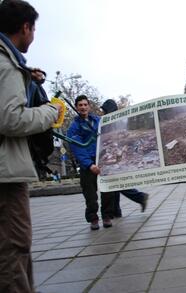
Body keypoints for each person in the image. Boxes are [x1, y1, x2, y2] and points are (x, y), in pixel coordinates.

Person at [0, 0, 62, 291]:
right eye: (34, 28)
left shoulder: (11, 64)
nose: (34, 35)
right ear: (25, 27)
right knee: (14, 246)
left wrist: (27, 78)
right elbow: (11, 119)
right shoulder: (5, 62)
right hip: (5, 174)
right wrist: (51, 111)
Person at [68, 95, 114, 229]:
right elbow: (77, 146)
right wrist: (89, 164)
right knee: (90, 195)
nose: (83, 107)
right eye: (80, 105)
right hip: (87, 164)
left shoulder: (99, 121)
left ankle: (107, 216)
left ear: (89, 106)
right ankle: (93, 219)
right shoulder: (74, 127)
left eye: (85, 105)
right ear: (76, 107)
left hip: (103, 160)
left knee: (108, 190)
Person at [100, 99, 149, 217]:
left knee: (115, 183)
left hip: (116, 157)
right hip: (116, 156)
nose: (103, 112)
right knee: (115, 184)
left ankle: (140, 197)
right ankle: (116, 211)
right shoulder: (113, 122)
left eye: (104, 110)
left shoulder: (111, 124)